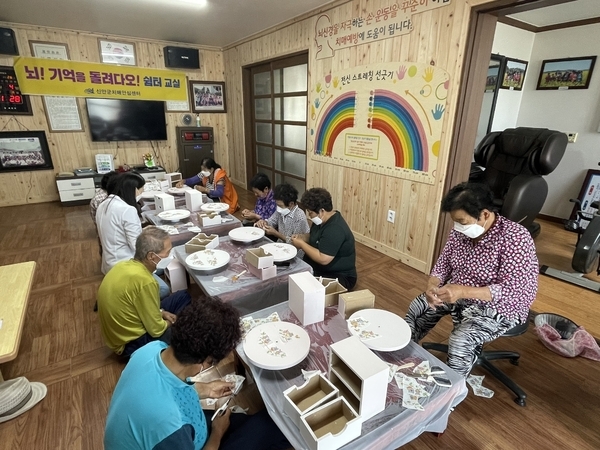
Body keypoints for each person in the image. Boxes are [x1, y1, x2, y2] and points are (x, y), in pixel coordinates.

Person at [104, 298, 290, 450]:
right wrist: (217, 433)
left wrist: (205, 389)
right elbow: (167, 420)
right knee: (272, 425)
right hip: (179, 438)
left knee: (246, 422)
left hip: (178, 432)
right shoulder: (169, 426)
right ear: (204, 363)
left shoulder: (151, 350)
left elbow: (165, 386)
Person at [405, 182, 539, 377]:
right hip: (458, 292)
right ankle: (401, 354)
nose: (458, 227)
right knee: (420, 306)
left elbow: (511, 289)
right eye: (455, 222)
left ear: (484, 214)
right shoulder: (460, 232)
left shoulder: (515, 238)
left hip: (501, 305)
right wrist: (432, 286)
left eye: (462, 222)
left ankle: (452, 389)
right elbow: (443, 265)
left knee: (461, 340)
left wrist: (462, 291)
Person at [97, 226, 191, 357]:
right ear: (152, 256)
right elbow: (156, 330)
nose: (170, 256)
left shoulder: (122, 265)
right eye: (167, 252)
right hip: (131, 344)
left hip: (123, 333)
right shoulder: (146, 282)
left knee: (183, 296)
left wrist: (161, 313)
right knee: (189, 336)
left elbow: (136, 305)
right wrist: (173, 321)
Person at [96, 171, 170, 299]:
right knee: (163, 288)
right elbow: (138, 247)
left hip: (109, 264)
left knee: (166, 265)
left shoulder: (104, 204)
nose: (140, 195)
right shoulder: (127, 210)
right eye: (140, 191)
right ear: (133, 190)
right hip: (125, 266)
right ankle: (142, 305)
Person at [291, 187, 357, 290]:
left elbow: (323, 259)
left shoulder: (335, 228)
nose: (310, 216)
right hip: (318, 269)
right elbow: (315, 237)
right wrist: (302, 237)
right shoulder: (321, 221)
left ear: (322, 211)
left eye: (311, 212)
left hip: (338, 275)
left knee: (306, 291)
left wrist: (301, 245)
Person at [255, 183, 310, 257]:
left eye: (280, 206)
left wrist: (276, 233)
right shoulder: (281, 210)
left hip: (295, 254)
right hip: (279, 247)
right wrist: (264, 222)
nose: (278, 208)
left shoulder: (300, 217)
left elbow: (295, 243)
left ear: (291, 204)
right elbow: (271, 221)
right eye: (277, 205)